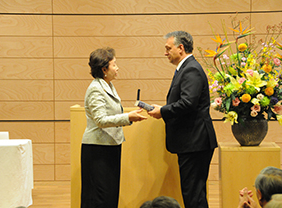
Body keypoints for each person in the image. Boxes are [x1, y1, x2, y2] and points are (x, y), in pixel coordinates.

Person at [148, 31, 218, 208]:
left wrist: (163, 111)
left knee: (193, 195)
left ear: (181, 48)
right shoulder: (187, 68)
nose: (165, 53)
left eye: (168, 48)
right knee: (193, 193)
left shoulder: (191, 69)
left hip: (195, 141)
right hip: (192, 141)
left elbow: (188, 103)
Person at [81, 47, 147, 208]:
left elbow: (111, 113)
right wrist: (128, 117)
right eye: (114, 64)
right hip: (97, 149)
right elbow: (101, 120)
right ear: (104, 69)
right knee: (99, 197)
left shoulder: (107, 85)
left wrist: (130, 115)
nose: (117, 68)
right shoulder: (96, 89)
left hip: (110, 146)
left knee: (110, 195)